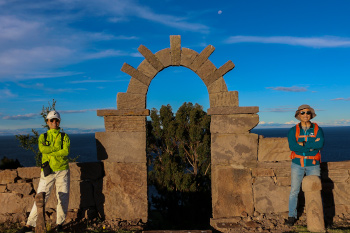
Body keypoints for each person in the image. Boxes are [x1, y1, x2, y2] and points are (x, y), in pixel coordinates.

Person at [17, 110, 71, 233]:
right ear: (47, 122)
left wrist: (50, 151)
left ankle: (59, 225)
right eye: (52, 120)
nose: (54, 122)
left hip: (62, 170)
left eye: (56, 120)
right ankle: (29, 225)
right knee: (41, 197)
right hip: (48, 171)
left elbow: (66, 152)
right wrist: (57, 149)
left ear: (59, 121)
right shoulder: (43, 136)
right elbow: (42, 149)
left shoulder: (64, 136)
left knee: (63, 198)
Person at [285, 104, 324, 226]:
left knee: (316, 189)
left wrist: (302, 144)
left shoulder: (318, 129)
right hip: (297, 164)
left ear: (311, 115)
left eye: (307, 113)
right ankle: (292, 216)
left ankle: (318, 216)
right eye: (302, 113)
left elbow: (320, 145)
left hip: (313, 164)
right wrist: (311, 144)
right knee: (294, 191)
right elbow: (293, 146)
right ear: (298, 115)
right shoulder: (293, 130)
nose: (305, 115)